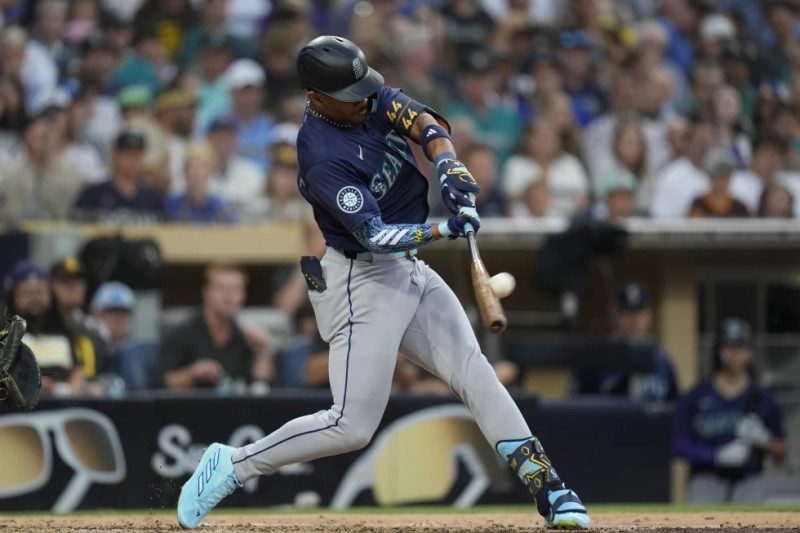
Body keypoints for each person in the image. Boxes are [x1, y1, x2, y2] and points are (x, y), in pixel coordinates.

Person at [176, 36, 589, 530]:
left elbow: (424, 122)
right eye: (352, 96)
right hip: (361, 279)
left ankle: (550, 490)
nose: (366, 101)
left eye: (365, 89)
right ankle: (231, 465)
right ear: (317, 99)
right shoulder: (320, 155)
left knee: (475, 372)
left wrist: (449, 164)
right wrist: (443, 227)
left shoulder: (363, 98)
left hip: (409, 269)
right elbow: (374, 234)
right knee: (351, 425)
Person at [674, 318, 788, 503]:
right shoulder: (696, 395)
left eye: (740, 347)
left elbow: (782, 450)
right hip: (706, 480)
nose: (734, 354)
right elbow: (677, 445)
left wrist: (764, 440)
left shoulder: (761, 395)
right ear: (719, 351)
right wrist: (715, 455)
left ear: (749, 352)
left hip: (749, 481)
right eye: (729, 347)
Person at [155, 263, 270, 391]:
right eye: (221, 288)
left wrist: (262, 352)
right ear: (206, 292)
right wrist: (192, 373)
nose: (228, 295)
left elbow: (260, 386)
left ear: (243, 295)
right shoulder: (181, 334)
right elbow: (163, 383)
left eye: (235, 288)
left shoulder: (245, 338)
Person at [573, 281, 679, 402]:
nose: (634, 321)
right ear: (615, 315)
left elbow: (673, 409)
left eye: (639, 314)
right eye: (628, 313)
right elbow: (577, 409)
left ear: (649, 316)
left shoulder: (662, 362)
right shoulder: (595, 360)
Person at [72, 130, 166, 223]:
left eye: (137, 155)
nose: (132, 160)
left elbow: (169, 229)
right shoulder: (93, 194)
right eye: (127, 154)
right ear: (115, 155)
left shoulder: (152, 197)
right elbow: (75, 226)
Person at [688, 148, 750, 218]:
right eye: (717, 177)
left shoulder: (739, 208)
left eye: (725, 177)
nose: (721, 182)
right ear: (711, 178)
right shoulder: (699, 205)